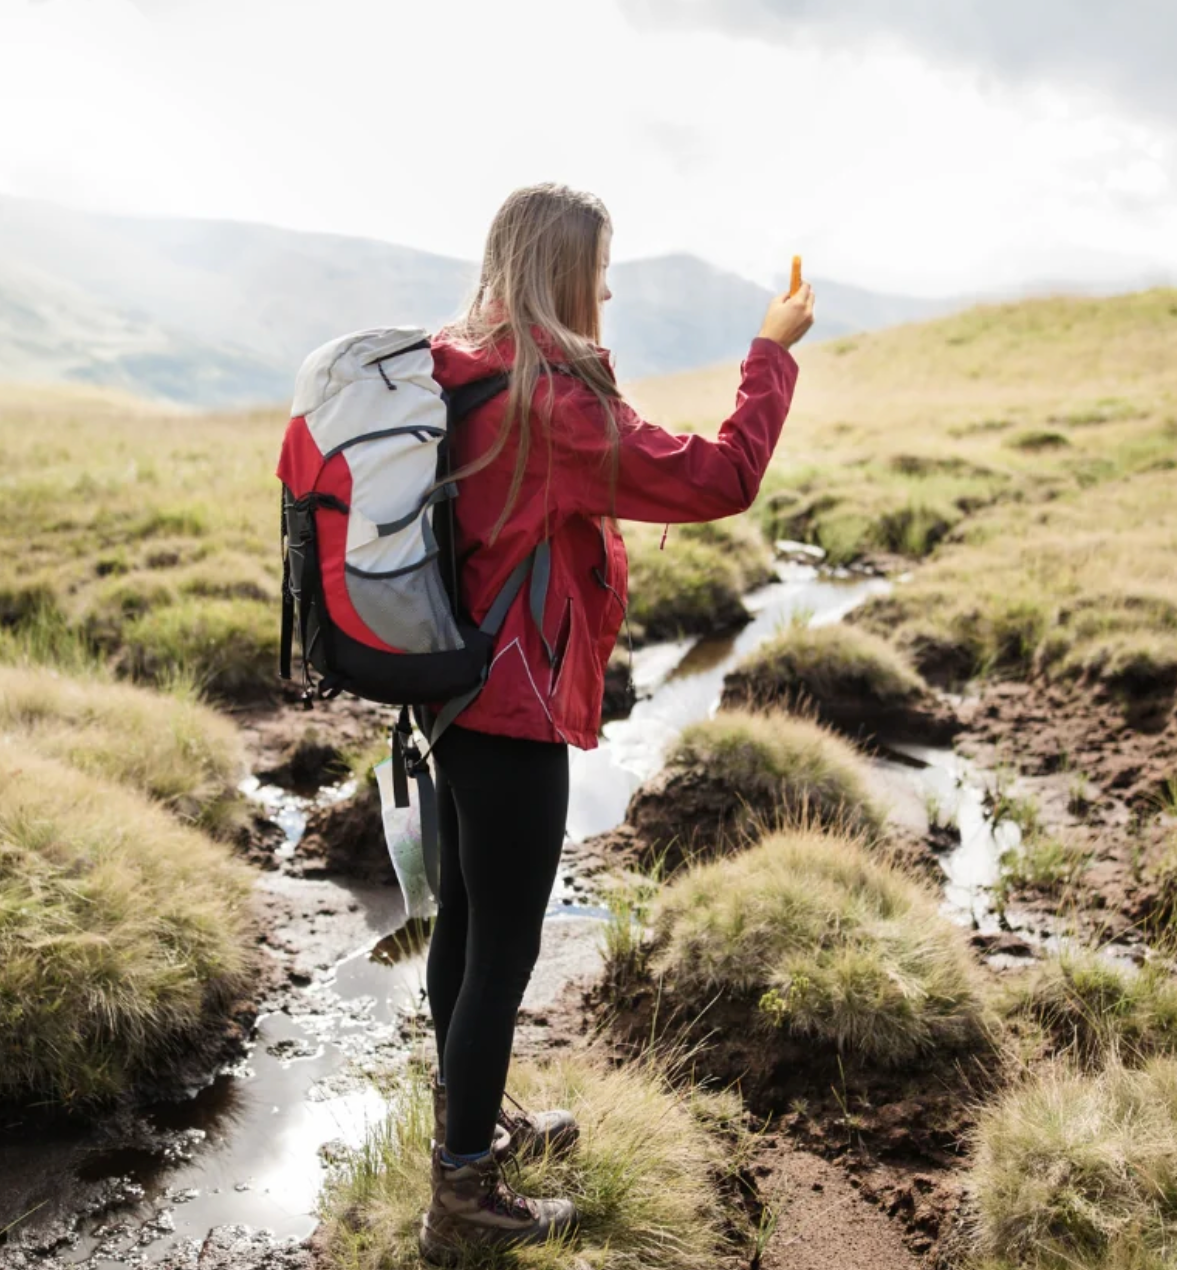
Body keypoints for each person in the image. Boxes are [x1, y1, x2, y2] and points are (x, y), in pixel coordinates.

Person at [419, 182, 815, 1260]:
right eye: (599, 263)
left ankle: (467, 1128)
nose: (607, 283)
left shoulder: (454, 365)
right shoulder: (553, 403)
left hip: (447, 694)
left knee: (460, 921)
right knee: (501, 946)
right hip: (512, 706)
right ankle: (460, 1196)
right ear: (563, 270)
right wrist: (771, 350)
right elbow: (722, 477)